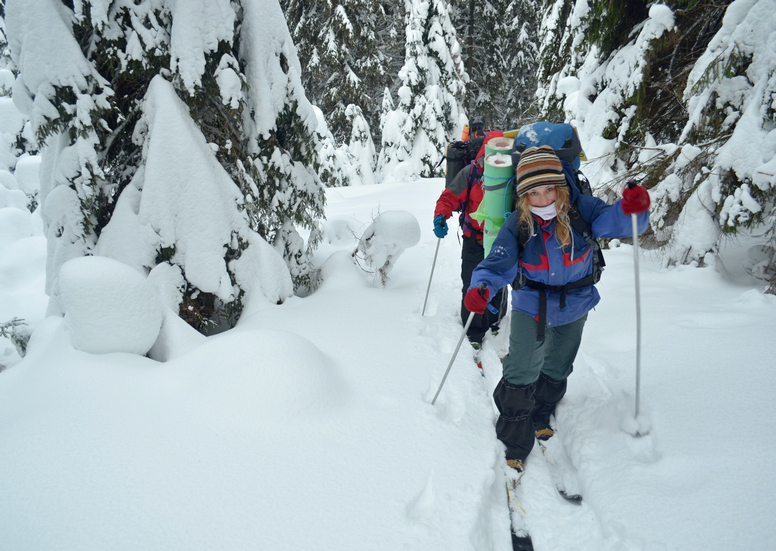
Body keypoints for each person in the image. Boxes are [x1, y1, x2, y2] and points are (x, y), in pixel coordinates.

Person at [463, 145, 651, 471]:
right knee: (521, 369)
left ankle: (541, 412)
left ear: (560, 186)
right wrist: (482, 286)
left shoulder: (581, 209)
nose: (544, 198)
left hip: (576, 301)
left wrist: (631, 210)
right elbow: (498, 262)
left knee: (558, 365)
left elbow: (614, 223)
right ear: (524, 195)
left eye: (549, 188)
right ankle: (513, 442)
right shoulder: (518, 224)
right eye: (534, 192)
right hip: (531, 303)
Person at [433, 129, 506, 359]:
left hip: (500, 241)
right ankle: (474, 331)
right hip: (474, 238)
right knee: (472, 283)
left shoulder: (510, 174)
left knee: (497, 284)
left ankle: (496, 320)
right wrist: (440, 215)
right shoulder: (472, 172)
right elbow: (449, 196)